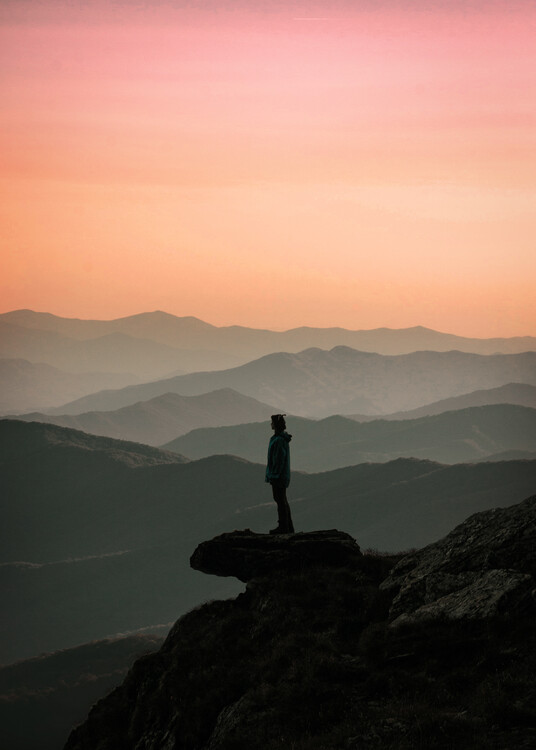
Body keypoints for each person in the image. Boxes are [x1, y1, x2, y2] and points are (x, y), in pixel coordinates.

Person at [265, 414, 295, 534]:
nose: (270, 424)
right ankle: (288, 527)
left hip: (278, 476)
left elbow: (278, 459)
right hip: (281, 475)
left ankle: (283, 527)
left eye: (272, 422)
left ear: (275, 425)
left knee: (280, 499)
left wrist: (274, 475)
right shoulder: (281, 439)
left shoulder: (278, 440)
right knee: (282, 499)